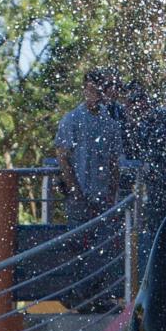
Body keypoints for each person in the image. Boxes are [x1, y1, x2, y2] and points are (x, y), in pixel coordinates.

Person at [53, 68, 123, 218]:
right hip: (79, 194)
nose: (95, 94)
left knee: (103, 237)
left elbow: (114, 161)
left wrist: (112, 193)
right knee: (78, 235)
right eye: (92, 89)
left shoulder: (110, 123)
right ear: (84, 89)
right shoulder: (72, 119)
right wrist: (74, 190)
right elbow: (62, 156)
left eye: (99, 90)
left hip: (103, 195)